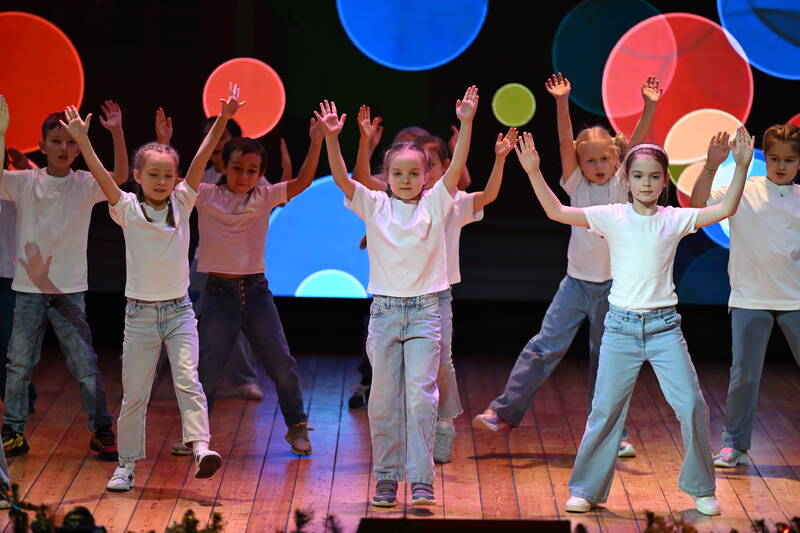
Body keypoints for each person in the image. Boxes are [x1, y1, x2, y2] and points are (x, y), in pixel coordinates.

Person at [514, 127, 753, 516]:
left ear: (663, 182)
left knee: (692, 405)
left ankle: (701, 487)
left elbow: (724, 209)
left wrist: (741, 167)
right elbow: (557, 212)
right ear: (625, 178)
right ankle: (587, 489)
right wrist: (532, 171)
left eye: (654, 176)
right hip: (620, 329)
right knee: (605, 411)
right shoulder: (612, 216)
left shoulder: (673, 219)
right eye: (638, 175)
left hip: (663, 329)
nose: (646, 183)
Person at [60, 82, 244, 492]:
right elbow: (102, 177)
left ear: (176, 178)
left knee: (188, 381)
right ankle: (126, 465)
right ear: (138, 177)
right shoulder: (127, 208)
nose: (162, 181)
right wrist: (83, 141)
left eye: (168, 175)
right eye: (153, 175)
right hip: (140, 315)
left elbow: (201, 157)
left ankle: (201, 448)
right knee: (135, 395)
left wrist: (223, 120)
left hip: (179, 312)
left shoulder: (182, 202)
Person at [473, 74, 662, 459]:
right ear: (579, 163)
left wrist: (650, 106)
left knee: (608, 363)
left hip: (615, 290)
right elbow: (564, 141)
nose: (598, 165)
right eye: (590, 160)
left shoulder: (622, 184)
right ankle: (503, 413)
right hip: (575, 285)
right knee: (544, 347)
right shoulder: (576, 185)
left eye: (604, 158)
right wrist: (562, 103)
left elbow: (639, 142)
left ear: (617, 159)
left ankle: (613, 434)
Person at [316, 86, 478, 507]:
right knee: (384, 402)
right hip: (386, 314)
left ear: (426, 177)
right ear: (386, 177)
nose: (406, 180)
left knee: (422, 399)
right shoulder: (374, 205)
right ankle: (387, 478)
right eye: (398, 173)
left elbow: (456, 167)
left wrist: (466, 123)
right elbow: (342, 179)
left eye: (413, 173)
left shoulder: (436, 204)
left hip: (425, 313)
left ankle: (421, 479)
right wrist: (333, 138)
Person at [353, 105, 517, 463]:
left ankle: (444, 424)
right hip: (398, 296)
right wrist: (365, 144)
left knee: (441, 363)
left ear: (441, 168)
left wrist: (497, 157)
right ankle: (410, 433)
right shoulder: (398, 199)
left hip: (436, 295)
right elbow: (362, 182)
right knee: (403, 371)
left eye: (429, 164)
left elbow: (486, 192)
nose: (420, 173)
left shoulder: (452, 202)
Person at [0, 96, 125, 461]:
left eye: (71, 142)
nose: (64, 148)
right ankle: (13, 431)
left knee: (85, 365)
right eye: (56, 141)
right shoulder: (26, 182)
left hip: (69, 292)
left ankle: (101, 429)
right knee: (18, 365)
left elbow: (119, 177)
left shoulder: (84, 183)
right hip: (28, 291)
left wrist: (116, 132)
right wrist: (2, 134)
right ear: (41, 146)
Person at [196, 116, 323, 457]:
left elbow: (303, 181)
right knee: (207, 371)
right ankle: (196, 436)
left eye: (252, 171)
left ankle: (297, 427)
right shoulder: (206, 194)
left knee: (282, 366)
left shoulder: (264, 196)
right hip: (218, 293)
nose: (244, 176)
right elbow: (182, 179)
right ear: (223, 166)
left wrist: (315, 142)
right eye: (237, 168)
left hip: (255, 293)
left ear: (260, 174)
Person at [690, 124, 800, 468]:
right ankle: (734, 444)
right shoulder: (744, 190)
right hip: (749, 298)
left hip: (795, 299)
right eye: (774, 158)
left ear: (799, 163)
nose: (781, 165)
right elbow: (697, 206)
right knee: (744, 375)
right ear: (764, 157)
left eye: (789, 160)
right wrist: (712, 165)